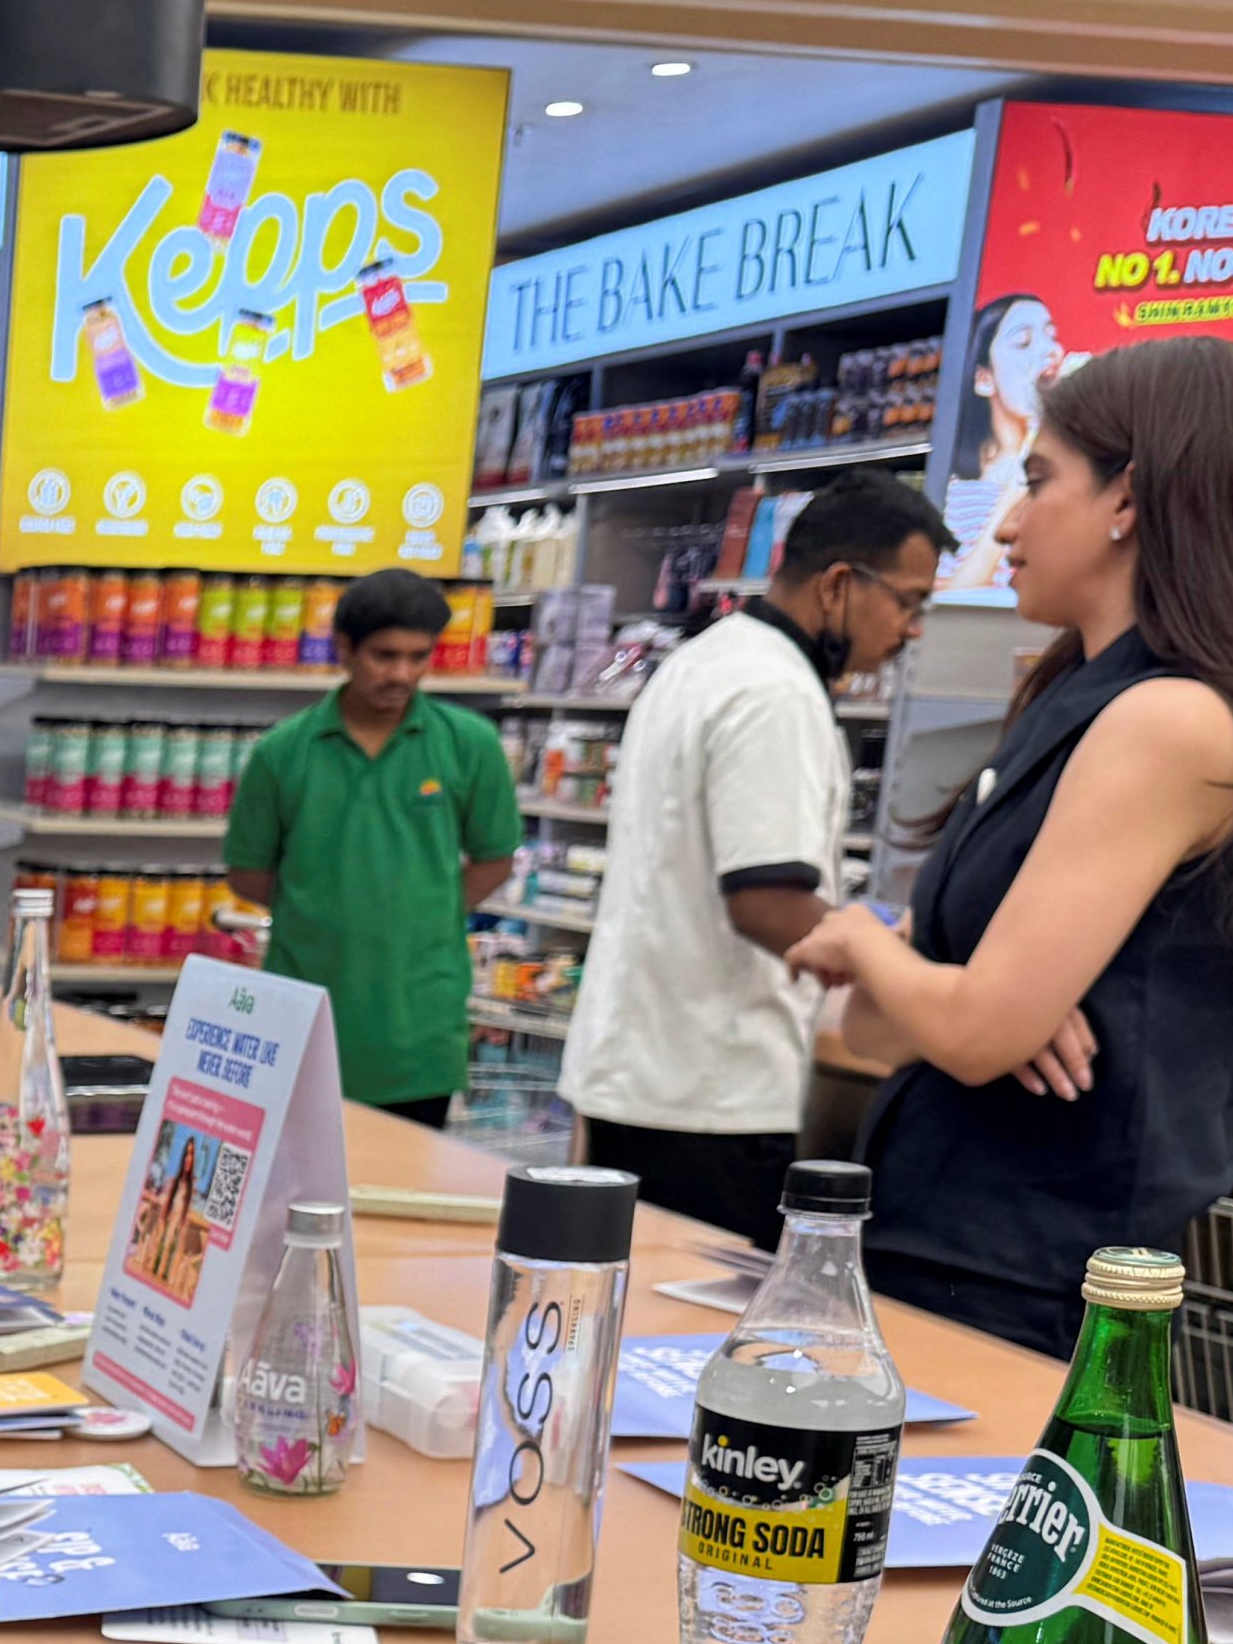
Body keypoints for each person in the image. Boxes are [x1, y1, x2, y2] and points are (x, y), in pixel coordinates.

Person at [789, 335, 1233, 1354]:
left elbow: (965, 1025)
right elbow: (880, 1032)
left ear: (1128, 499)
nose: (1006, 522)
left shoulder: (1169, 721)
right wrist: (958, 988)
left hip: (1028, 1273)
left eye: (1040, 480)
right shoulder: (1072, 702)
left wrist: (868, 941)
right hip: (946, 1236)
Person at [561, 469, 952, 1244]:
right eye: (908, 601)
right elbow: (766, 902)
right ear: (840, 584)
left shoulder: (706, 659)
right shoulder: (776, 693)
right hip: (708, 1092)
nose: (910, 630)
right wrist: (912, 969)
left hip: (643, 1071)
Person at [220, 568, 522, 1122]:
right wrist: (325, 909)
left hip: (419, 1032)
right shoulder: (282, 753)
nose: (402, 674)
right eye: (384, 656)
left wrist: (425, 911)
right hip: (303, 1020)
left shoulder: (470, 745)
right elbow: (247, 873)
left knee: (401, 1197)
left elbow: (496, 858)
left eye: (418, 657)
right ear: (344, 649)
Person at [941, 292, 1064, 590]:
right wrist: (1011, 499)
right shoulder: (953, 491)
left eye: (1051, 336)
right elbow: (950, 600)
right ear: (984, 379)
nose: (1050, 351)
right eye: (1023, 342)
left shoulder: (1072, 476)